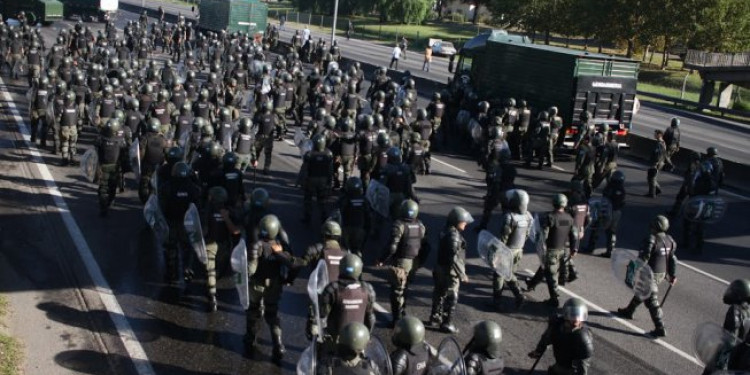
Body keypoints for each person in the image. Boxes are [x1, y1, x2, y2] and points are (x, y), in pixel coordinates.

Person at [245, 214, 300, 363]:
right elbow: (294, 265)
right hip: (274, 285)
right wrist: (288, 280)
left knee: (253, 311)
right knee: (272, 314)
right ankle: (278, 345)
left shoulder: (257, 245)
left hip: (257, 284)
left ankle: (250, 339)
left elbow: (251, 269)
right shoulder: (280, 246)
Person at [616, 215, 677, 337]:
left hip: (649, 273)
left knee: (651, 300)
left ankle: (660, 327)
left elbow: (643, 259)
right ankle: (629, 310)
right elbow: (672, 259)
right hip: (661, 274)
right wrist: (672, 274)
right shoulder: (670, 240)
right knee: (642, 290)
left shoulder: (652, 239)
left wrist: (633, 269)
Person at [378, 199, 428, 327]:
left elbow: (392, 247)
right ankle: (403, 312)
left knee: (396, 291)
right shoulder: (420, 226)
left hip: (401, 262)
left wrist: (382, 259)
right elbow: (426, 246)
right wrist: (420, 262)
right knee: (405, 288)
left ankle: (396, 319)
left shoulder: (399, 225)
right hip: (414, 262)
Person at [429, 206, 472, 333]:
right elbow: (453, 257)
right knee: (452, 296)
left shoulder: (445, 231)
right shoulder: (453, 236)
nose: (465, 223)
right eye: (463, 221)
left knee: (439, 292)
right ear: (456, 221)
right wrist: (462, 274)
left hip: (440, 267)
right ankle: (447, 323)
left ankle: (435, 316)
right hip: (449, 271)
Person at [319, 254, 376, 343]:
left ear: (341, 267)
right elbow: (370, 317)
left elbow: (322, 314)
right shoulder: (368, 289)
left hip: (336, 339)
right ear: (359, 270)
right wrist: (367, 335)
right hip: (358, 340)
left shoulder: (332, 289)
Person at [528, 298, 594, 375]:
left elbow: (583, 366)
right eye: (573, 314)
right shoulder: (557, 325)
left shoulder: (583, 337)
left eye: (578, 315)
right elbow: (546, 339)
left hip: (571, 369)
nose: (576, 319)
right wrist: (538, 351)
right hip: (560, 364)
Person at [202, 186, 242, 312]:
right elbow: (236, 231)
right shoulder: (230, 211)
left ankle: (211, 292)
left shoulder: (206, 210)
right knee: (214, 271)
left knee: (211, 270)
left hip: (210, 244)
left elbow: (202, 230)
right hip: (224, 245)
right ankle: (212, 294)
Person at [492, 190, 532, 310]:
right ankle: (518, 295)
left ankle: (497, 301)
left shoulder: (509, 217)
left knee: (499, 275)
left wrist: (498, 253)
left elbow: (504, 238)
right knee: (509, 274)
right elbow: (527, 234)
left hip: (507, 250)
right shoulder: (528, 216)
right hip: (519, 250)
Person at [540, 194, 579, 308]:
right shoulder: (569, 218)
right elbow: (574, 235)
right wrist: (574, 248)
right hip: (562, 250)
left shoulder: (550, 217)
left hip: (551, 251)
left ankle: (554, 299)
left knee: (550, 276)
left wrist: (542, 248)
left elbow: (544, 235)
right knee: (556, 273)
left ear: (554, 203)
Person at [586, 170, 626, 258]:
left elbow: (606, 198)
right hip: (617, 212)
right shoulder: (622, 190)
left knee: (596, 226)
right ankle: (610, 250)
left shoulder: (611, 187)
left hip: (608, 210)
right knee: (611, 231)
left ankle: (591, 246)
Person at [298, 133, 334, 224]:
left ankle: (307, 217)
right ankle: (324, 216)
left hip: (311, 180)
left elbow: (304, 169)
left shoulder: (309, 154)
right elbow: (330, 170)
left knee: (308, 199)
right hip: (323, 180)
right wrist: (330, 182)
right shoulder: (328, 154)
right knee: (322, 200)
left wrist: (301, 181)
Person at [96, 120, 125, 217]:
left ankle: (103, 208)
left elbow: (95, 151)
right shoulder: (120, 141)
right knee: (112, 187)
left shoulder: (101, 139)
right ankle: (110, 202)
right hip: (115, 167)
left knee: (103, 189)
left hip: (103, 167)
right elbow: (124, 154)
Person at [644, 130, 666, 198]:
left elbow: (658, 155)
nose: (654, 135)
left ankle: (652, 193)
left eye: (655, 134)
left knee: (651, 178)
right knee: (652, 177)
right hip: (660, 162)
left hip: (656, 163)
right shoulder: (663, 143)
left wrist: (655, 164)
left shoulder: (659, 144)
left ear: (659, 135)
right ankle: (657, 189)